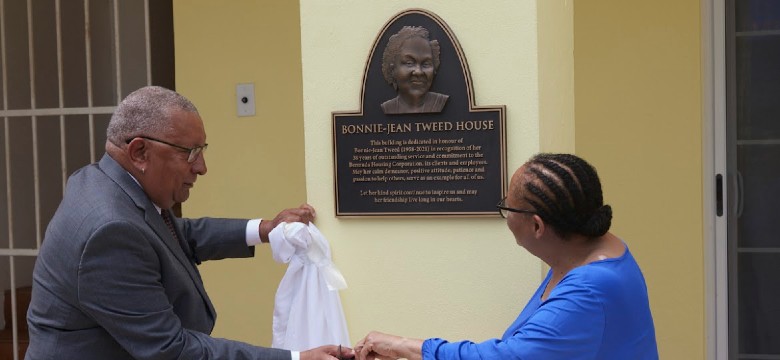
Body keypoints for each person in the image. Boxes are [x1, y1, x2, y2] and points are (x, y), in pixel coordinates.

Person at [25, 86, 354, 360]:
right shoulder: (110, 232)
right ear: (139, 152)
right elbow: (171, 349)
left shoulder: (105, 183)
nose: (201, 167)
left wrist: (264, 229)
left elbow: (171, 235)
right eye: (190, 152)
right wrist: (296, 357)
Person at [354, 153, 658, 359]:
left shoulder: (589, 290)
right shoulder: (591, 248)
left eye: (507, 207)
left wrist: (403, 346)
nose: (506, 216)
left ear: (537, 226)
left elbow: (508, 356)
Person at [380, 26, 449, 114]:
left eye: (426, 64)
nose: (419, 72)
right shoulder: (388, 108)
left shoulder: (442, 103)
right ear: (393, 69)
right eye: (409, 63)